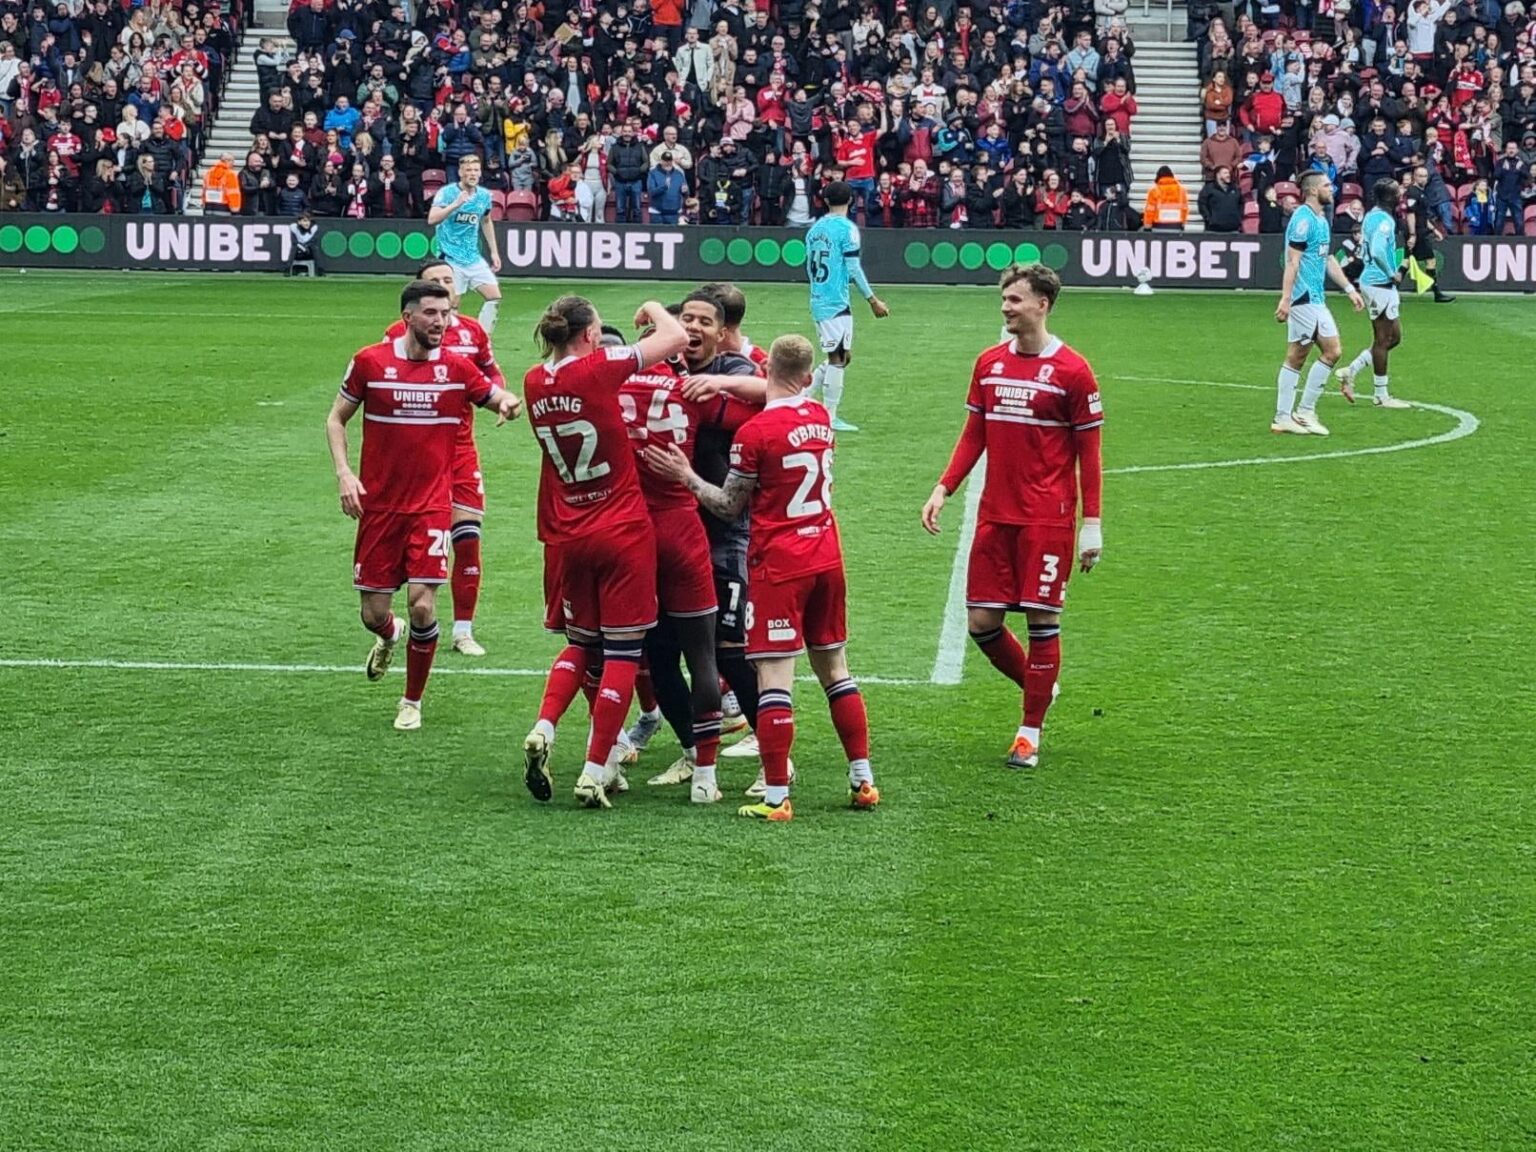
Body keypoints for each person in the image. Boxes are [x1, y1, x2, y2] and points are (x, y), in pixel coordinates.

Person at [642, 335, 881, 821]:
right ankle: (862, 779)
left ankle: (775, 796)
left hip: (780, 563)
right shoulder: (819, 416)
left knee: (774, 677)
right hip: (827, 555)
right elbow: (771, 388)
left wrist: (686, 474)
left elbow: (729, 506)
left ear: (766, 365)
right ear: (810, 378)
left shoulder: (754, 436)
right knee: (835, 669)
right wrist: (732, 379)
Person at [920, 264, 1104, 770]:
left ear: (1042, 304)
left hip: (1046, 518)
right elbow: (973, 433)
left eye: (1015, 300)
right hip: (995, 515)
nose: (1005, 307)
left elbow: (1091, 455)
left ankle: (1029, 732)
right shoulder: (989, 363)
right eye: (1004, 299)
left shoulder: (1073, 371)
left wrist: (1093, 525)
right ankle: (1040, 685)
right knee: (982, 622)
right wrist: (944, 488)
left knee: (1043, 622)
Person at [324, 279, 521, 730]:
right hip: (379, 509)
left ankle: (411, 700)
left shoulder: (456, 367)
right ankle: (390, 636)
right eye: (431, 313)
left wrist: (507, 402)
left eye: (445, 313)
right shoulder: (370, 362)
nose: (441, 321)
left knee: (423, 607)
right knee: (374, 614)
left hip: (431, 507)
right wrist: (344, 474)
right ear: (408, 317)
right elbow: (336, 418)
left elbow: (493, 394)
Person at [521, 296, 689, 809]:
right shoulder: (598, 368)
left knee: (580, 644)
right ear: (591, 335)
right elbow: (676, 339)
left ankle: (545, 726)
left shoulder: (532, 381)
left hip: (566, 533)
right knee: (620, 650)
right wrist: (655, 308)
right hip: (619, 527)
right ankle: (595, 770)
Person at [615, 298, 766, 803]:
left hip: (724, 530)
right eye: (687, 321)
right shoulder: (673, 377)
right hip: (668, 531)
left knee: (729, 651)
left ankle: (773, 751)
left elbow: (779, 394)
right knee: (658, 655)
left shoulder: (729, 370)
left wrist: (721, 384)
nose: (694, 327)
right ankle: (692, 751)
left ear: (724, 334)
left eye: (705, 321)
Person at [381, 261, 506, 656]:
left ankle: (463, 630)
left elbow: (491, 374)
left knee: (468, 539)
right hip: (415, 456)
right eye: (436, 283)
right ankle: (398, 616)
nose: (445, 288)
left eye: (450, 282)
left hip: (459, 449)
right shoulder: (398, 336)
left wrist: (501, 398)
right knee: (408, 543)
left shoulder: (473, 332)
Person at [1272, 171, 1366, 437]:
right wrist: (1286, 298)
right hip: (1303, 298)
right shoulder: (1302, 220)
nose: (1332, 188)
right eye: (1326, 185)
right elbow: (1292, 261)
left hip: (1315, 298)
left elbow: (1327, 259)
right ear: (1313, 190)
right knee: (1319, 352)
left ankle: (1296, 413)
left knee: (1315, 354)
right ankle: (1295, 413)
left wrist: (1349, 288)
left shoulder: (1321, 220)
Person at [803, 180, 891, 433]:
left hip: (821, 297)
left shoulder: (815, 229)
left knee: (842, 356)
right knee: (838, 357)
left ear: (826, 201)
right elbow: (852, 267)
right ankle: (829, 417)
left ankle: (803, 398)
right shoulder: (848, 229)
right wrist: (873, 300)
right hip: (834, 300)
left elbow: (809, 264)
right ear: (852, 201)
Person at [1335, 180, 1414, 411]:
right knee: (1382, 339)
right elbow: (1379, 249)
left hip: (1375, 283)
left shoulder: (1371, 215)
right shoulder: (1384, 221)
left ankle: (1351, 371)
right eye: (1397, 190)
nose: (1401, 193)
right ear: (1389, 197)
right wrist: (1392, 272)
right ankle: (1381, 395)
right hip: (1379, 283)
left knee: (1394, 337)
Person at [426, 154, 502, 334]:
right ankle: (450, 340)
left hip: (473, 257)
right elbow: (432, 219)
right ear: (460, 173)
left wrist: (494, 252)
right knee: (452, 304)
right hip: (450, 257)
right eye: (468, 170)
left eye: (476, 170)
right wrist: (455, 204)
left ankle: (481, 338)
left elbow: (486, 221)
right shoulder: (447, 193)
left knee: (494, 298)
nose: (473, 174)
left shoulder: (483, 195)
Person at [1403, 165, 1457, 304]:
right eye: (1420, 176)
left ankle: (1391, 290)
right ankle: (1437, 293)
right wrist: (1413, 234)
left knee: (1406, 261)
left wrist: (1434, 230)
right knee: (1430, 260)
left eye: (1425, 176)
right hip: (1418, 232)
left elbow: (1422, 215)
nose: (1423, 179)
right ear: (1414, 177)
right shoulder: (1413, 192)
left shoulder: (1421, 192)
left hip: (1421, 229)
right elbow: (1410, 214)